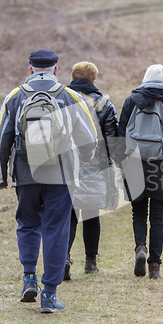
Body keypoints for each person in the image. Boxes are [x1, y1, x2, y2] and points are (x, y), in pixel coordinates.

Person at [0, 50, 97, 313]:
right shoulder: (69, 96)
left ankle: (29, 278)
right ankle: (49, 295)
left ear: (30, 70)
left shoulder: (14, 97)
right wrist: (85, 157)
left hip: (26, 174)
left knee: (27, 224)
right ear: (56, 70)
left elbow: (0, 139)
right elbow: (89, 138)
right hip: (60, 176)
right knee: (56, 230)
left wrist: (0, 176)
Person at [117, 64, 163, 279]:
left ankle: (141, 248)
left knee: (138, 211)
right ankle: (155, 266)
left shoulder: (132, 101)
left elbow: (121, 134)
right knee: (158, 218)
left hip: (134, 163)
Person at [64, 61, 119, 280]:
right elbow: (113, 137)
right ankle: (90, 262)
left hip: (67, 166)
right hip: (96, 168)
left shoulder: (62, 100)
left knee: (68, 215)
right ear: (94, 80)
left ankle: (64, 257)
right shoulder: (103, 103)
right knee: (91, 215)